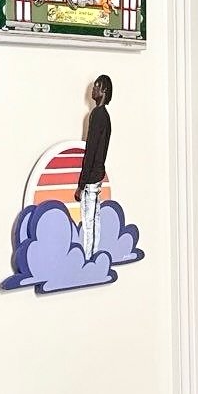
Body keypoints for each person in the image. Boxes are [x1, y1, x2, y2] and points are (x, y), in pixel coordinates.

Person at [76, 76, 112, 260]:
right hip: (98, 175)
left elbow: (91, 150)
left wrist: (81, 184)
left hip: (91, 178)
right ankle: (93, 256)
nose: (92, 91)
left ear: (104, 90)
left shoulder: (97, 115)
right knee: (95, 218)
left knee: (88, 220)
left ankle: (88, 257)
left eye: (96, 87)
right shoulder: (105, 116)